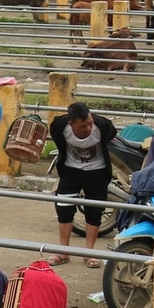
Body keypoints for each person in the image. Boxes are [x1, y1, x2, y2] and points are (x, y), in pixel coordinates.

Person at [49, 101, 118, 266]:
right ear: (71, 124)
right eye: (82, 126)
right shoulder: (60, 126)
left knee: (94, 211)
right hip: (70, 170)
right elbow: (59, 142)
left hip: (97, 171)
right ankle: (64, 252)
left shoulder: (102, 125)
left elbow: (111, 135)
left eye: (89, 123)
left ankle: (89, 253)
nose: (87, 128)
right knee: (64, 208)